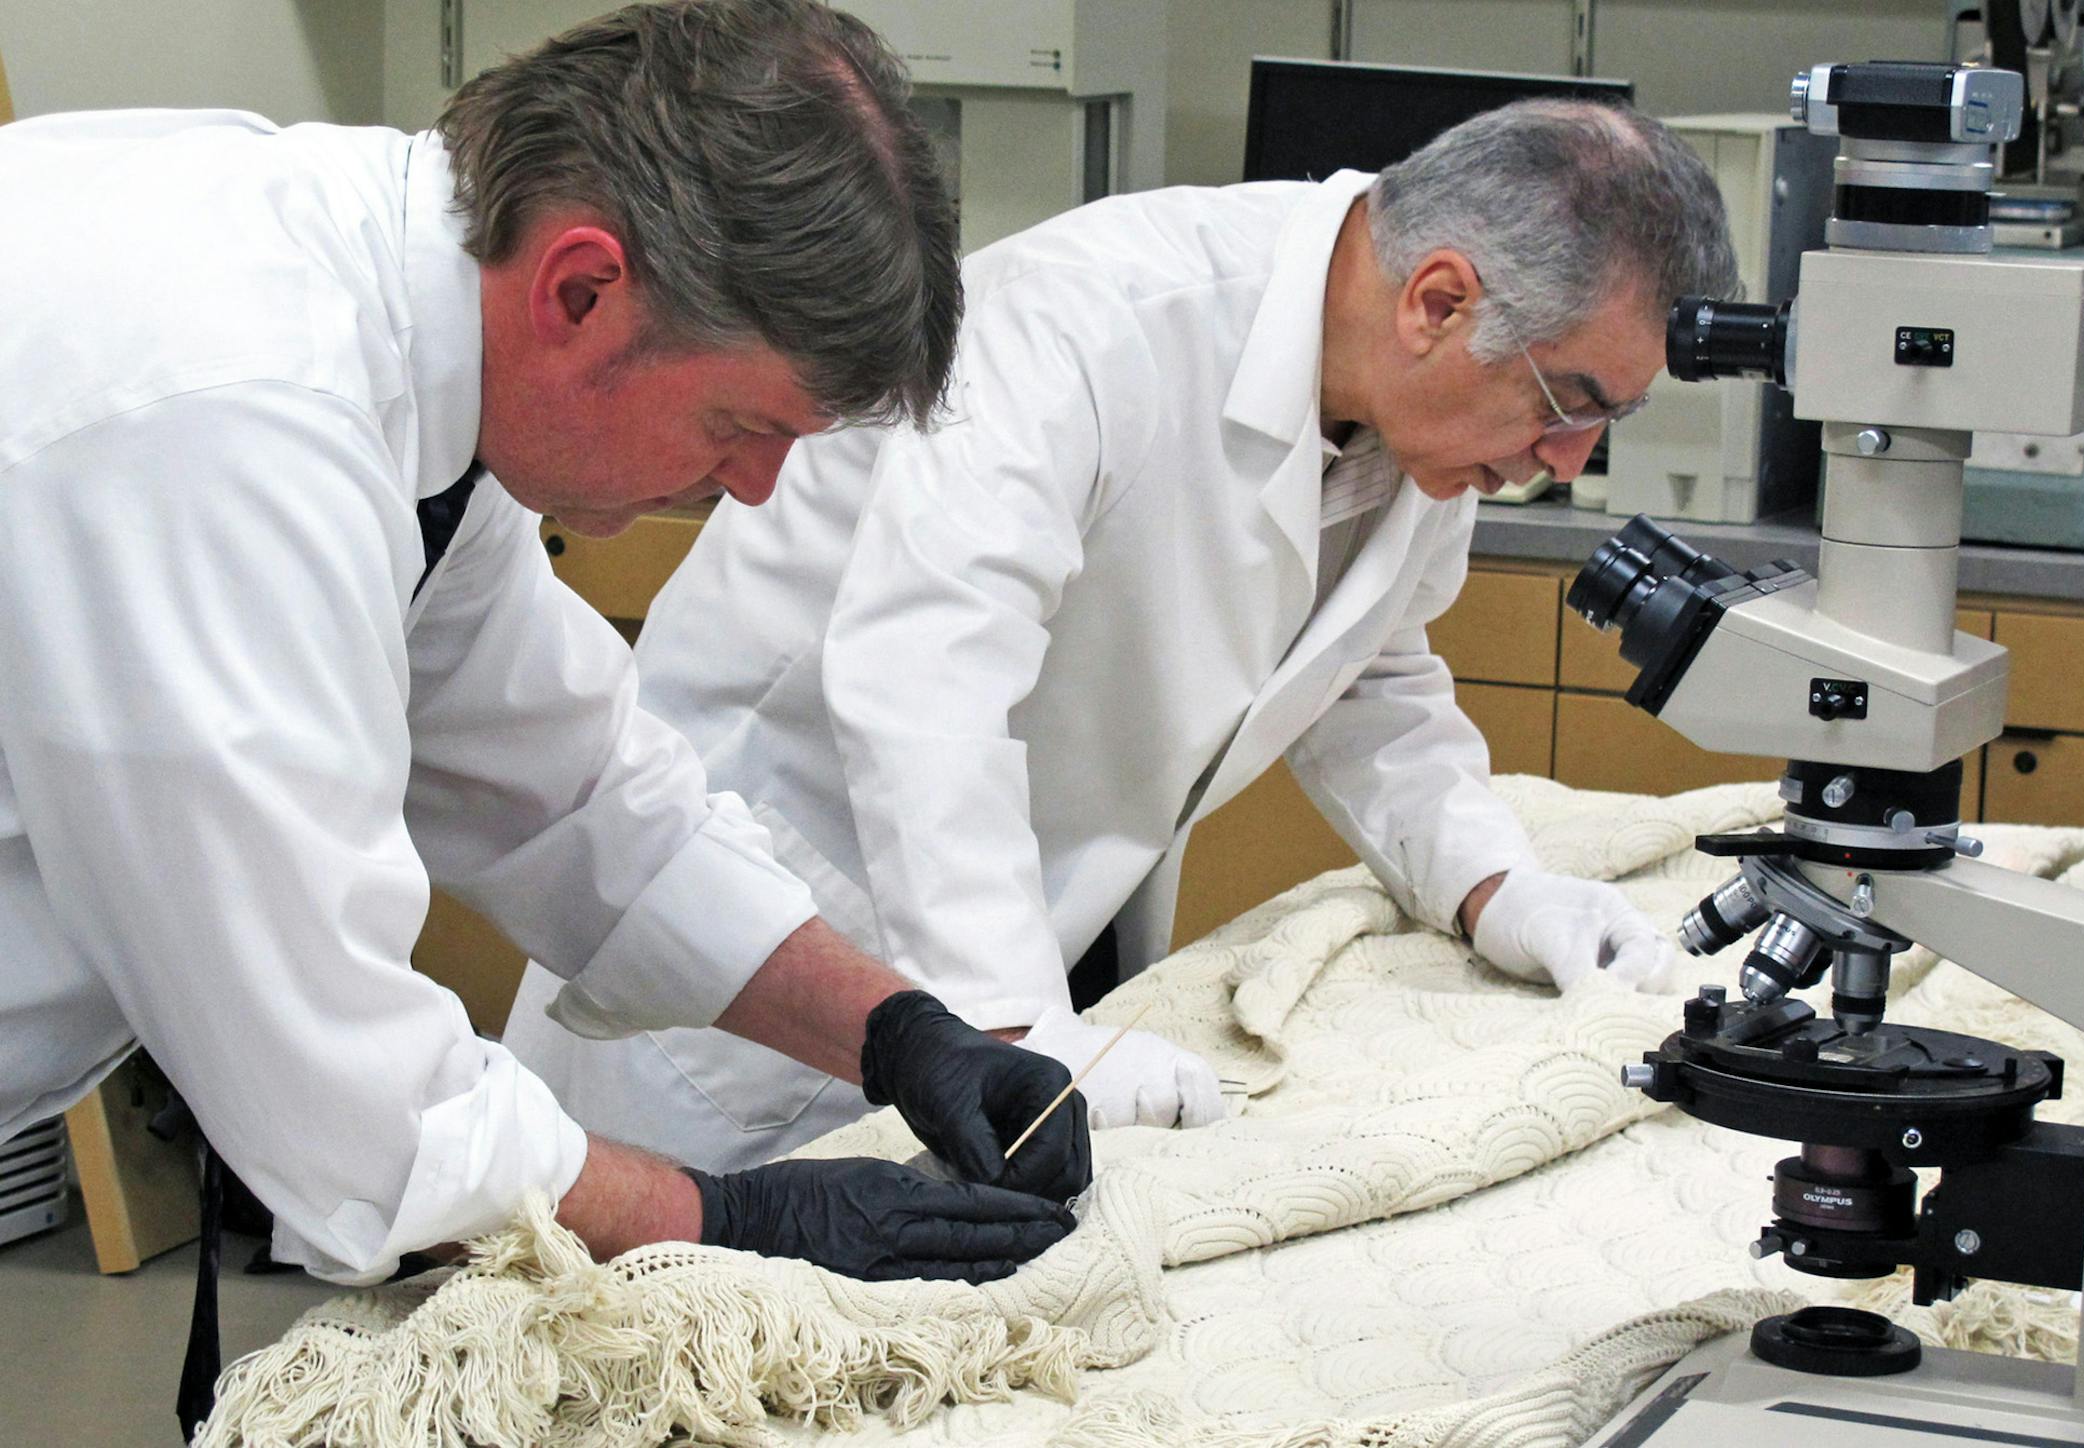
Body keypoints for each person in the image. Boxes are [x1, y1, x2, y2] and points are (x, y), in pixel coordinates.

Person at [0, 0, 1089, 1323]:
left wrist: (903, 1032)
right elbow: (346, 1098)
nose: (754, 488)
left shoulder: (403, 345)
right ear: (582, 290)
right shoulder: (227, 427)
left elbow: (574, 797)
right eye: (740, 423)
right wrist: (728, 1224)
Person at [504, 98, 1742, 1173]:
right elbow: (922, 680)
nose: (1569, 459)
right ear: (1438, 299)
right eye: (1571, 401)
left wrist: (1495, 883)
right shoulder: (1091, 322)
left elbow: (1366, 669)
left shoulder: (1418, 421)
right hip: (766, 953)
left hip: (1024, 942)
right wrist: (1006, 1030)